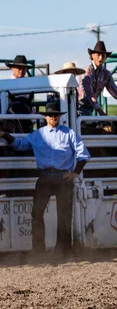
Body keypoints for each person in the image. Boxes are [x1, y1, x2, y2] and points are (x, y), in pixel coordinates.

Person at [0, 101, 90, 254]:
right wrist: (4, 135)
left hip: (62, 177)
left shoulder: (69, 134)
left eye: (56, 115)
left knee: (64, 215)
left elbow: (84, 154)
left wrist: (75, 172)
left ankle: (63, 250)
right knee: (37, 213)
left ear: (59, 117)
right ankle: (39, 249)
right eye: (51, 115)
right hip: (46, 176)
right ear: (46, 117)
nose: (53, 117)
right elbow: (19, 144)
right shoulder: (38, 135)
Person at [78, 41, 117, 116]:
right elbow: (89, 91)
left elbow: (115, 91)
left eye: (103, 55)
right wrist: (100, 110)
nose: (101, 58)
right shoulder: (87, 71)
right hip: (79, 108)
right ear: (92, 56)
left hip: (90, 109)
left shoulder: (106, 74)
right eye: (98, 55)